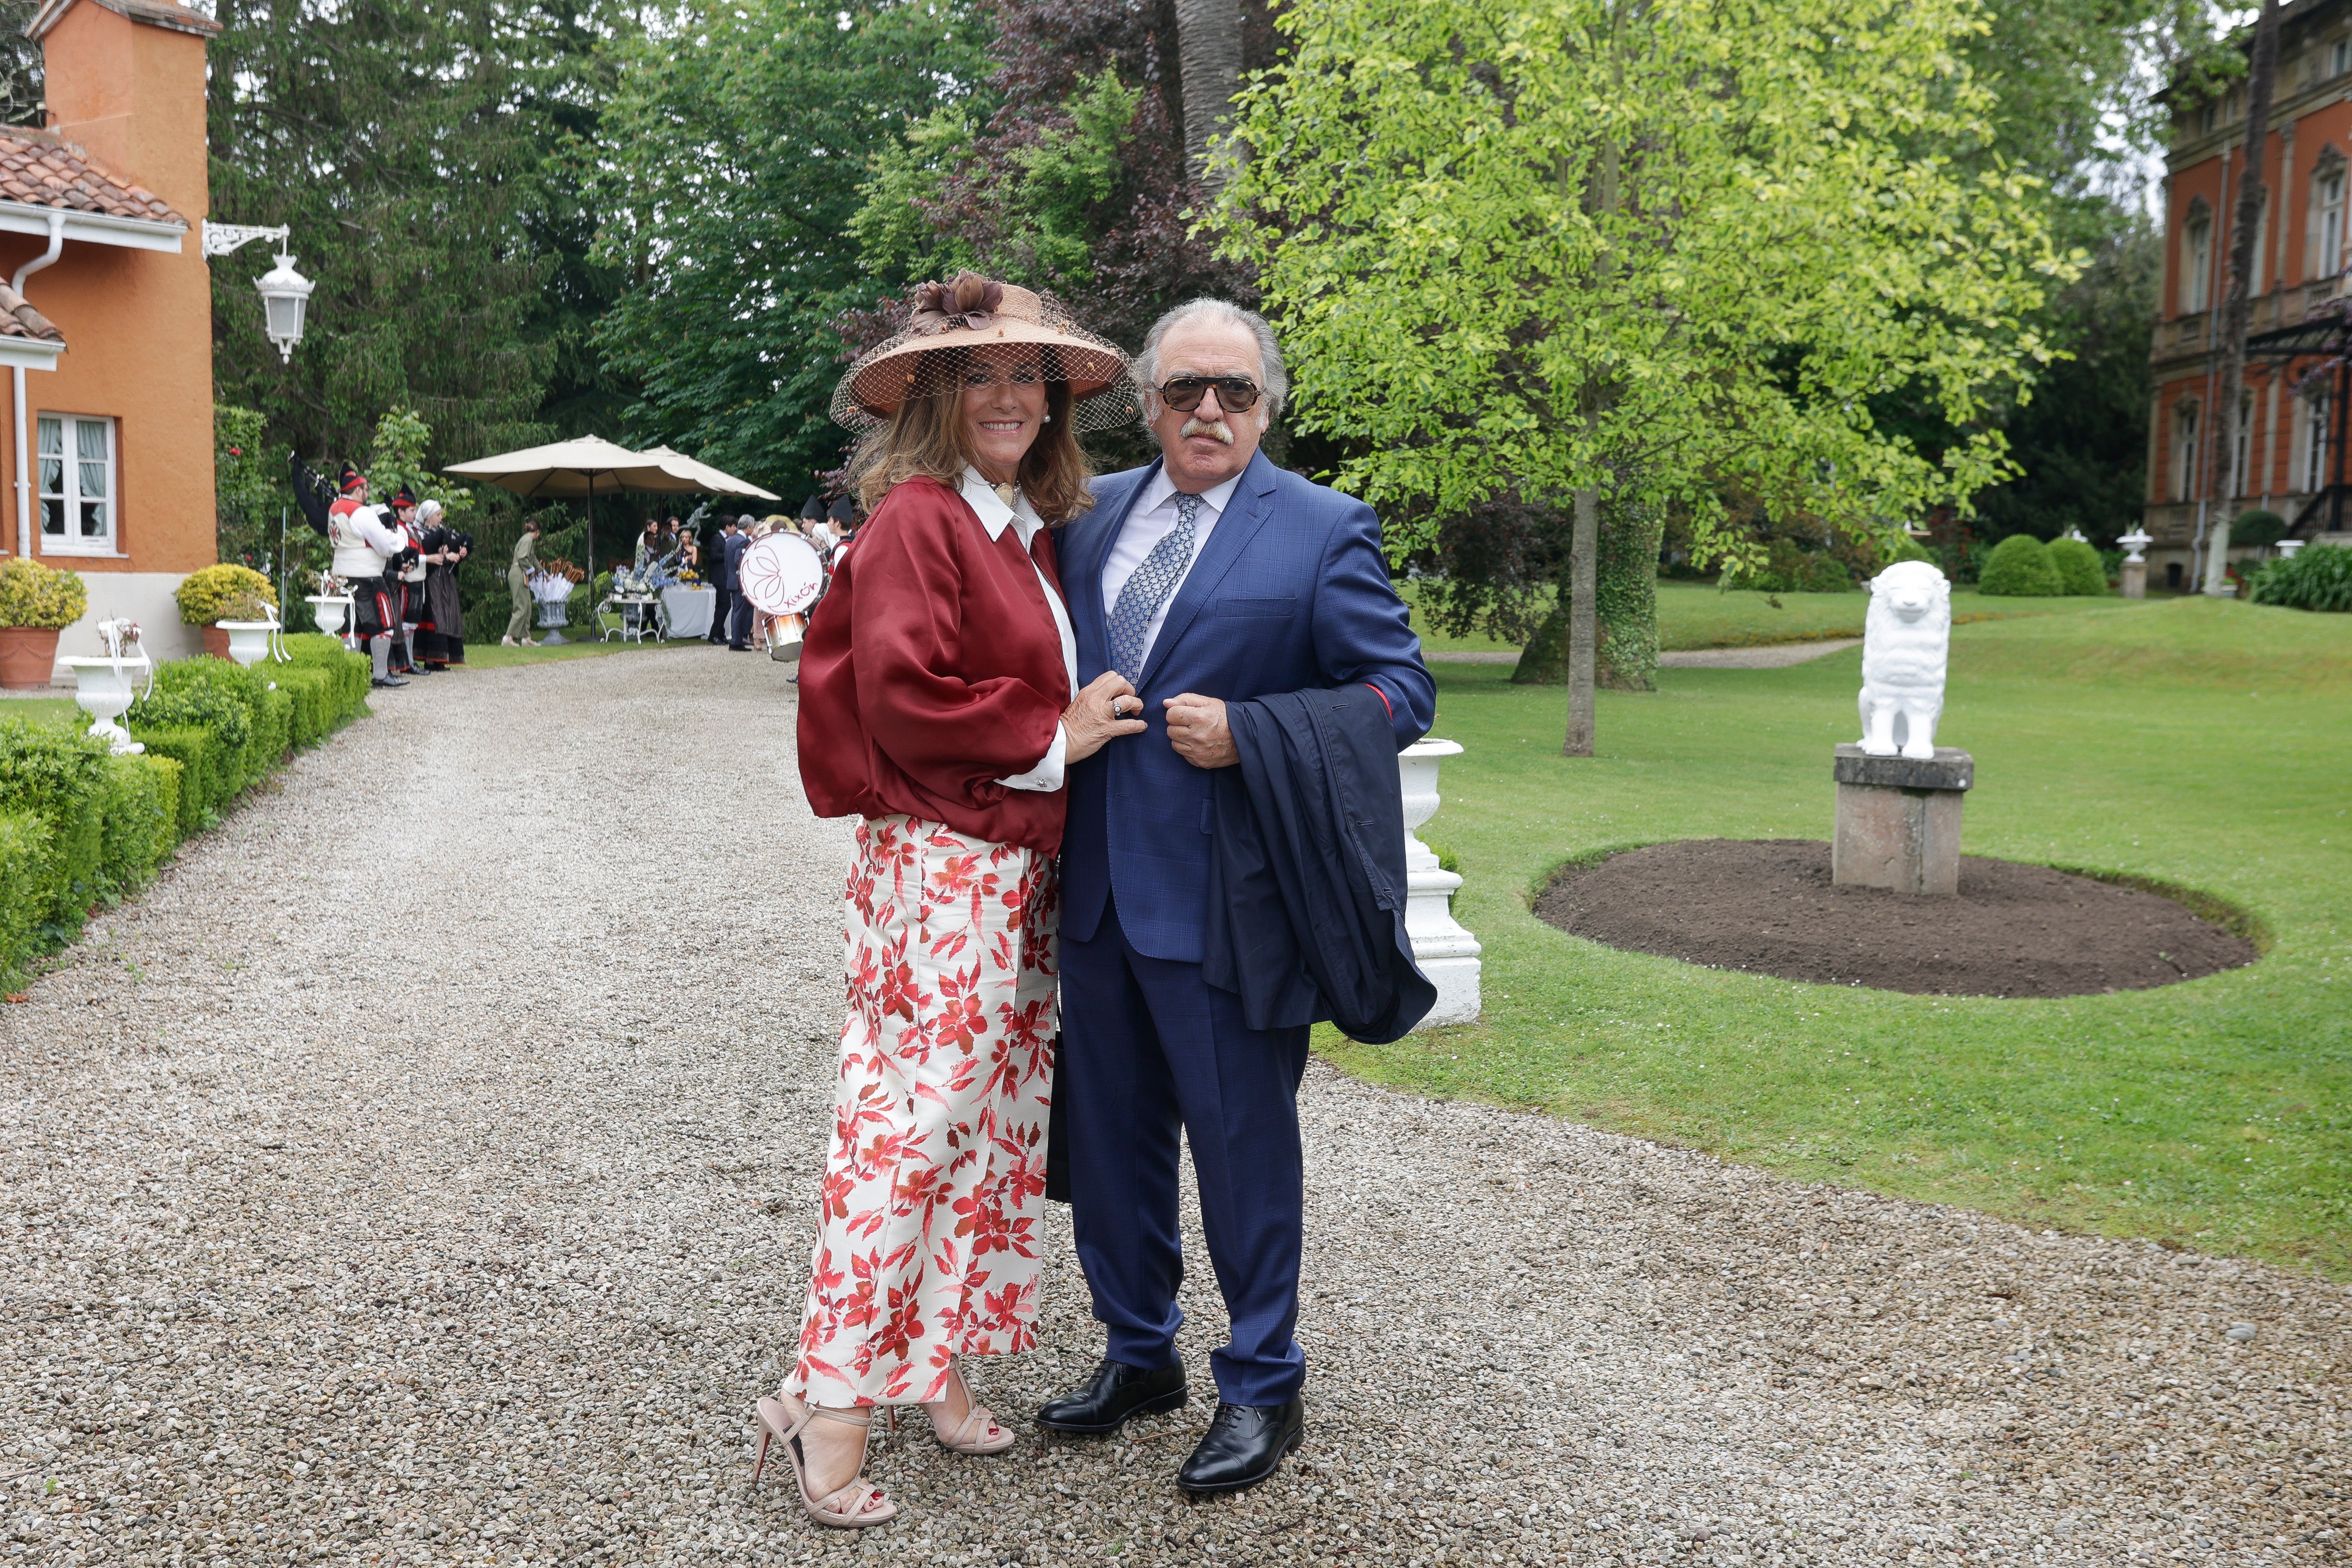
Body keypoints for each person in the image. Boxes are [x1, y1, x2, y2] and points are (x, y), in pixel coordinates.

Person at [757, 271, 1145, 1530]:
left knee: (989, 1134)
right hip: (942, 865)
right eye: (980, 373)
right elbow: (902, 699)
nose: (1012, 396)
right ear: (932, 394)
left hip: (1011, 868)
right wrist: (1059, 732)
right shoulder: (920, 520)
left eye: (1029, 376)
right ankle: (829, 1404)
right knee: (908, 1132)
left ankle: (938, 1367)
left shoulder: (1018, 533)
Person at [1038, 299, 1434, 1493]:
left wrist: (1257, 732)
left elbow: (1400, 688)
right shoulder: (1085, 513)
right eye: (1183, 390)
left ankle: (1263, 1385)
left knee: (1243, 1148)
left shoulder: (1322, 529)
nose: (1208, 411)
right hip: (1096, 890)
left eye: (1235, 392)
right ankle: (1139, 1351)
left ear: (1268, 404)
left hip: (1227, 904)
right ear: (1147, 399)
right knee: (1109, 1145)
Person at [327, 465, 412, 689]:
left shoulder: (334, 508)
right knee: (383, 623)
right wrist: (398, 541)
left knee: (351, 625)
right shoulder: (361, 512)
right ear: (357, 490)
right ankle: (381, 674)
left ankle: (352, 676)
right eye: (365, 489)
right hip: (367, 576)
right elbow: (384, 545)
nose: (367, 493)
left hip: (342, 575)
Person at [413, 500, 469, 669]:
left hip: (445, 579)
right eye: (438, 515)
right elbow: (424, 554)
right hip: (431, 580)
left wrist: (461, 553)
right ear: (428, 517)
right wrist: (446, 556)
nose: (441, 518)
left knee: (448, 617)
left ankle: (443, 659)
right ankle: (431, 658)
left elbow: (453, 547)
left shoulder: (444, 532)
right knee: (435, 616)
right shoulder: (418, 533)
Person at [503, 517, 543, 647]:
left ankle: (526, 638)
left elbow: (533, 558)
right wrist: (532, 570)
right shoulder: (528, 540)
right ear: (538, 532)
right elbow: (522, 558)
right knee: (521, 607)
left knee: (527, 607)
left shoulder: (527, 539)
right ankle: (508, 637)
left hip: (521, 574)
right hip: (518, 574)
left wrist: (542, 570)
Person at [707, 515, 741, 645]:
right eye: (733, 527)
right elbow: (714, 555)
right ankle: (714, 634)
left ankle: (720, 634)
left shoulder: (728, 539)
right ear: (727, 527)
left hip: (725, 577)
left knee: (724, 606)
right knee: (725, 605)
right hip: (719, 577)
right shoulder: (717, 539)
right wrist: (728, 555)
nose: (735, 529)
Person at [723, 516, 755, 650]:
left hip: (732, 580)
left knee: (737, 611)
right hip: (739, 581)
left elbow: (727, 562)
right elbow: (738, 560)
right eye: (752, 527)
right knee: (739, 612)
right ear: (748, 527)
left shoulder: (731, 540)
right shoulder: (742, 541)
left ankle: (736, 640)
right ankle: (736, 641)